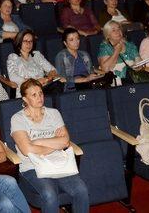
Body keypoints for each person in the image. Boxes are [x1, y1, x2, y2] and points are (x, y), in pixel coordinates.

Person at [11, 79, 90, 213]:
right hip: (32, 166)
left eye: (40, 93)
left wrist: (38, 141)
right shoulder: (17, 119)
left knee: (81, 190)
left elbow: (65, 141)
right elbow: (26, 150)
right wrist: (55, 143)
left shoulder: (53, 113)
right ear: (25, 98)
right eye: (34, 95)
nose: (39, 97)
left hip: (58, 162)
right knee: (50, 194)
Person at [7, 30, 61, 96]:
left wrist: (48, 78)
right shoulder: (13, 57)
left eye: (31, 41)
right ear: (19, 42)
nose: (28, 44)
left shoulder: (36, 55)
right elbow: (13, 77)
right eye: (25, 41)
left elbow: (52, 70)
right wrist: (36, 82)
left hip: (43, 88)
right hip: (27, 90)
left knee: (58, 83)